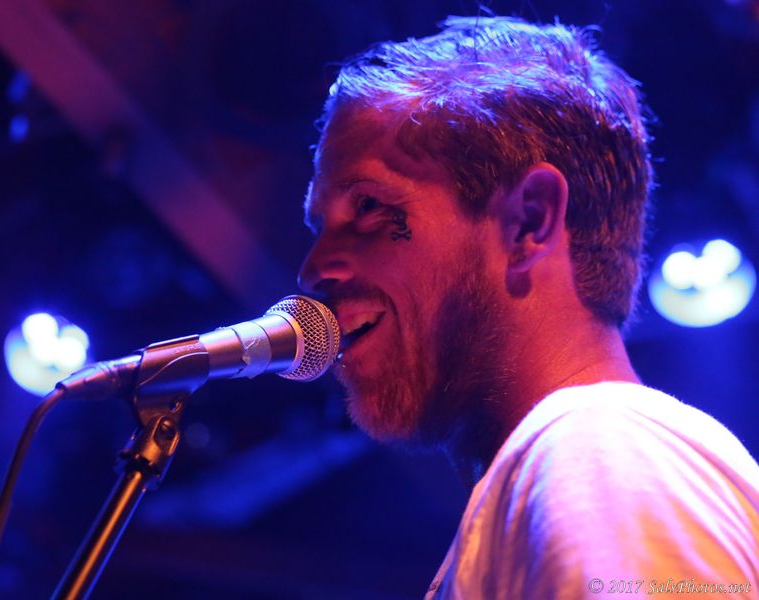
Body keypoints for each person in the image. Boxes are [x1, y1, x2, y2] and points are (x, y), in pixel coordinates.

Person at [296, 16, 759, 599]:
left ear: (528, 222)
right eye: (319, 227)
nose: (313, 268)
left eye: (367, 206)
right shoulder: (579, 461)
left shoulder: (596, 449)